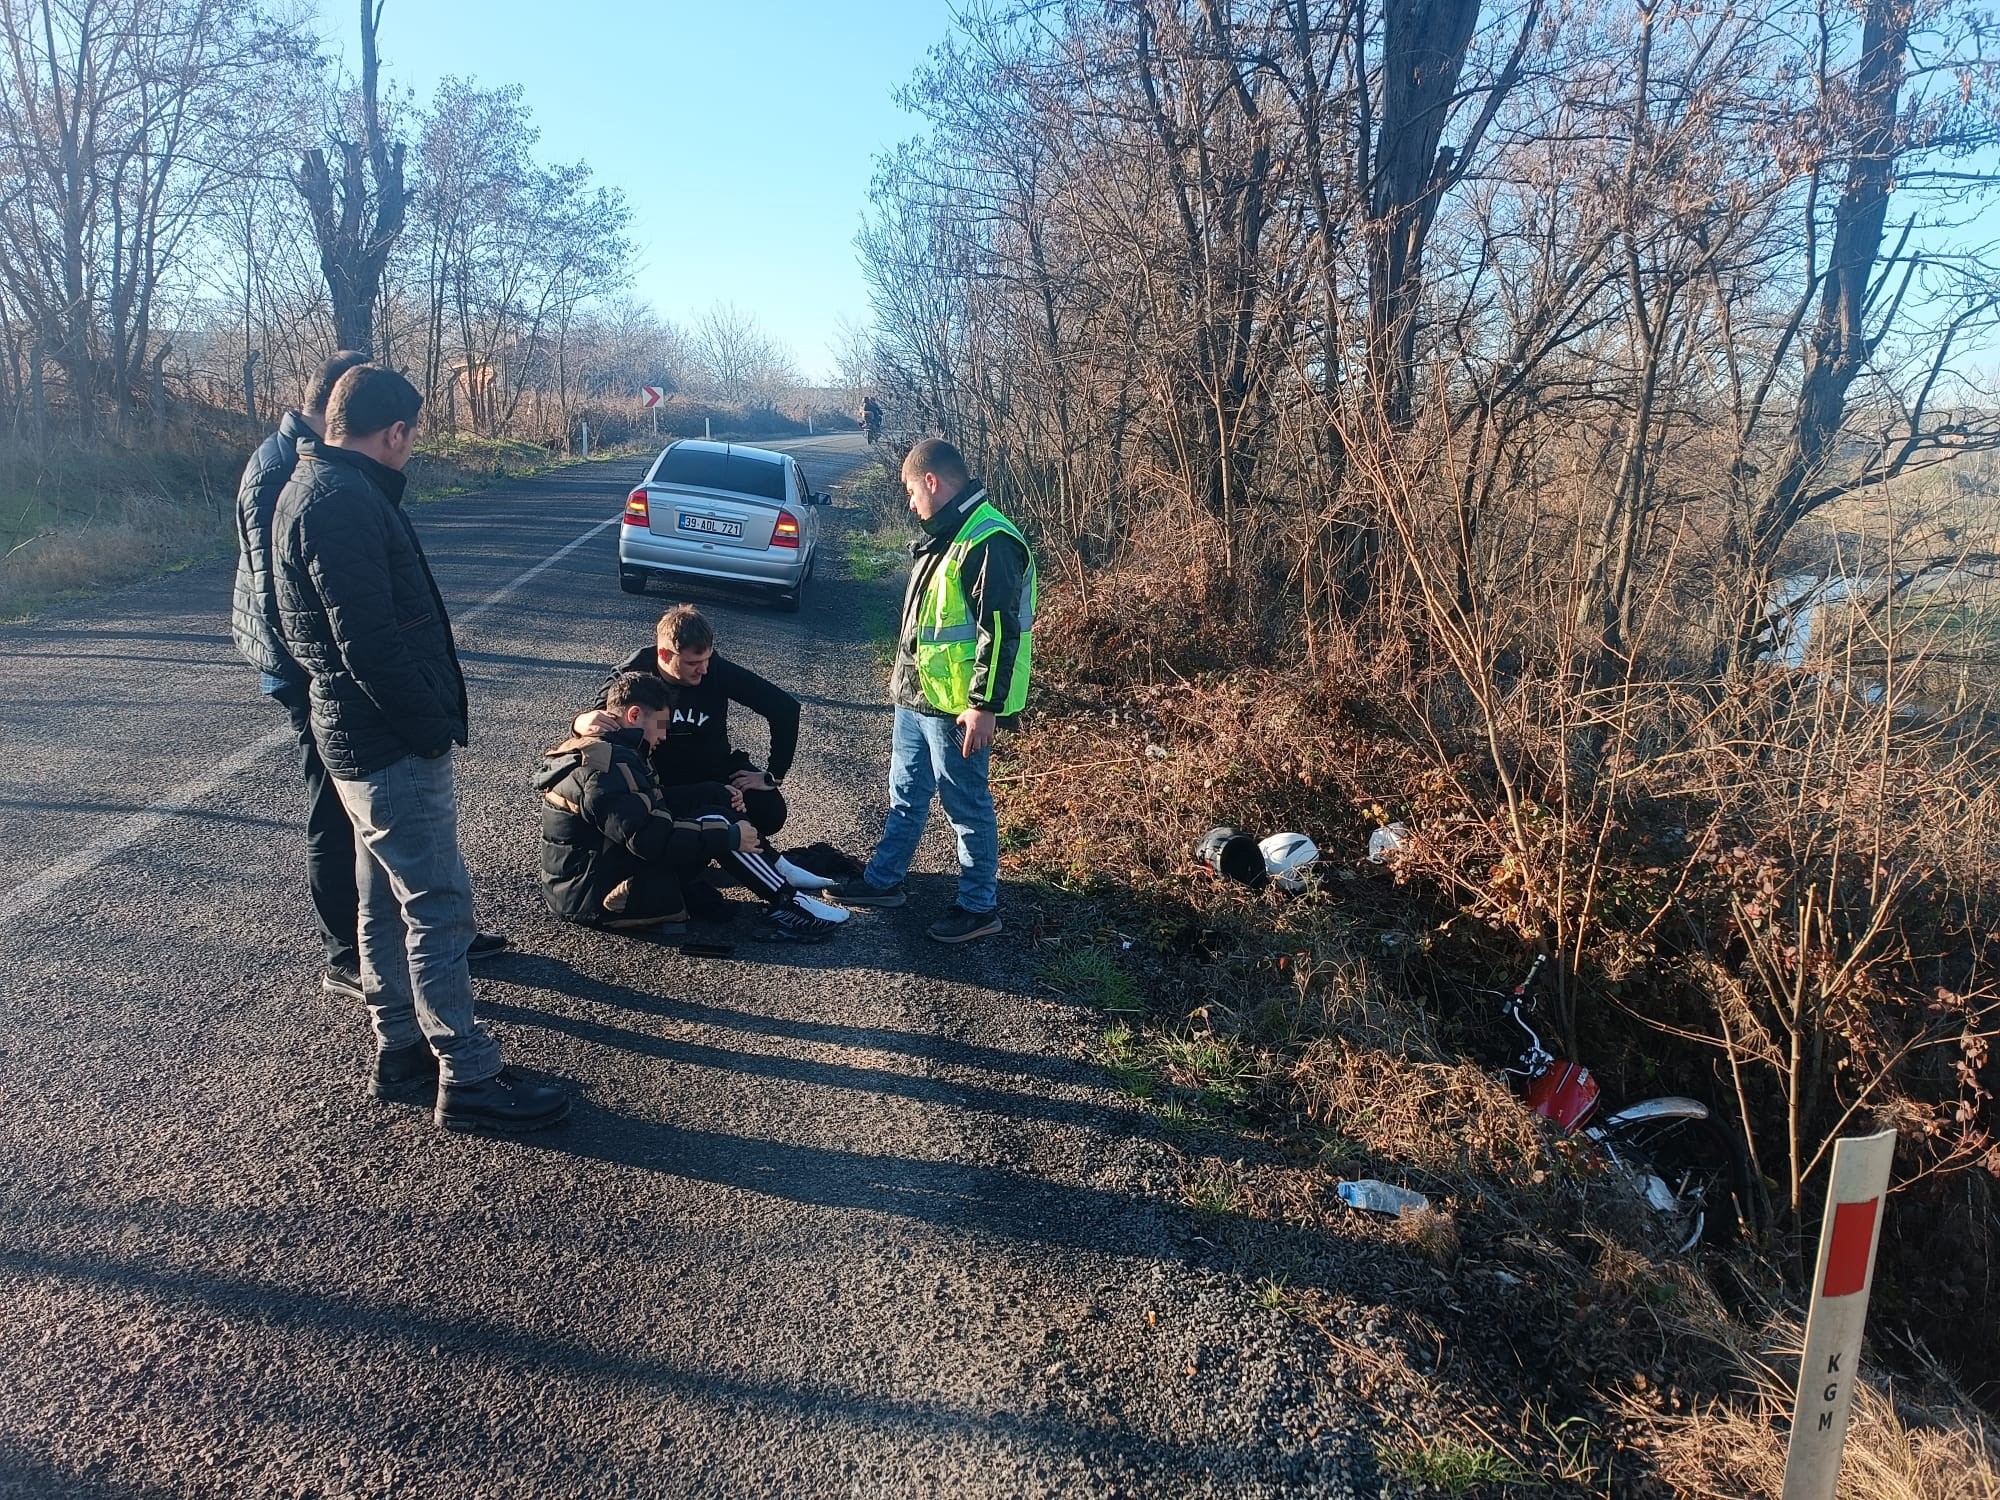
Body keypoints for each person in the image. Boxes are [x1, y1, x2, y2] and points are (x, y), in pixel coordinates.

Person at [272, 365, 567, 1132]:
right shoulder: (340, 500)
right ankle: (466, 1074)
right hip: (386, 741)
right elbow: (366, 644)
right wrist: (428, 726)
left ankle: (399, 1048)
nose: (411, 451)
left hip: (354, 738)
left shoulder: (310, 485)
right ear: (393, 432)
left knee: (381, 902)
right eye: (411, 437)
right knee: (438, 906)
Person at [230, 351, 507, 1008]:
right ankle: (351, 962)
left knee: (378, 858)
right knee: (342, 822)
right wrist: (421, 726)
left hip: (335, 687)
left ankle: (398, 1008)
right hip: (321, 686)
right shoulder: (303, 480)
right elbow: (316, 612)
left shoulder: (319, 471)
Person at [833, 438, 1035, 943]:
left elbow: (1001, 631)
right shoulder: (948, 533)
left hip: (956, 705)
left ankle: (979, 906)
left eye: (910, 491)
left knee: (965, 804)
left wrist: (983, 705)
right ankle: (883, 882)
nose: (909, 503)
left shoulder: (990, 539)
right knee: (905, 793)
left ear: (931, 482)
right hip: (918, 695)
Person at [539, 673, 842, 942]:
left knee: (714, 804)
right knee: (717, 822)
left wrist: (713, 792)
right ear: (633, 715)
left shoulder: (610, 751)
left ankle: (784, 888)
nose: (664, 736)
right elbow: (648, 839)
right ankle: (787, 901)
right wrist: (729, 837)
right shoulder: (606, 766)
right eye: (661, 725)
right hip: (597, 898)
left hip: (593, 880)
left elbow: (648, 805)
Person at [591, 604, 800, 842]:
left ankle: (723, 838)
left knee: (770, 811)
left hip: (711, 768)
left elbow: (785, 708)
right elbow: (598, 718)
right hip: (658, 777)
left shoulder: (715, 670)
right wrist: (580, 721)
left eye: (707, 659)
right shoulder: (638, 668)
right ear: (664, 655)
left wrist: (773, 774)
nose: (703, 669)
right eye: (693, 663)